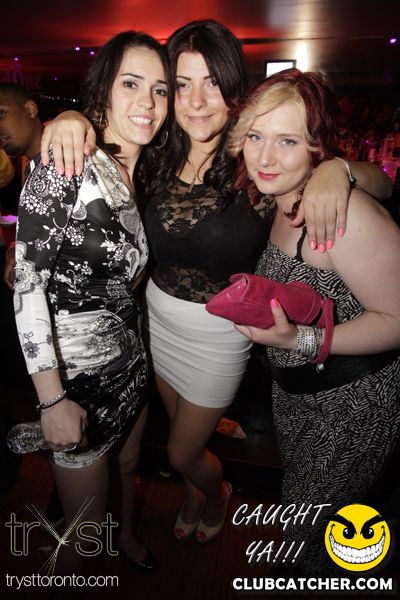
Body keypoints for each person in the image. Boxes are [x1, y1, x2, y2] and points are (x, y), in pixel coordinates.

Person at [40, 20, 392, 545]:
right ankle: (192, 493)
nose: (197, 101)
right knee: (176, 425)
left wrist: (337, 170)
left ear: (234, 88)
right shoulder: (153, 152)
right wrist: (70, 118)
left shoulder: (253, 161)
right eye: (181, 85)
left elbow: (380, 183)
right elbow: (96, 152)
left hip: (219, 337)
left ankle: (217, 492)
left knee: (183, 450)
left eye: (212, 83)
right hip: (155, 322)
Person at [229, 68, 400, 575]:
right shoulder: (280, 198)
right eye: (256, 137)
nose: (264, 157)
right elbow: (384, 178)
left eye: (287, 140)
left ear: (316, 146)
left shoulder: (344, 215)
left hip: (353, 408)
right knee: (311, 515)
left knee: (307, 535)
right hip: (297, 395)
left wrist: (299, 340)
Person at [13, 30, 170, 576]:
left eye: (160, 89)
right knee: (81, 538)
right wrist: (51, 399)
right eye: (131, 84)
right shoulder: (66, 161)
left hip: (130, 364)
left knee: (127, 466)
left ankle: (124, 536)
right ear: (103, 88)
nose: (148, 102)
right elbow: (27, 283)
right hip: (74, 382)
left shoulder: (135, 166)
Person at [0, 83, 45, 288]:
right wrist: (16, 247)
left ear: (30, 109)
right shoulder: (32, 166)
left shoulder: (68, 155)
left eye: (0, 113)